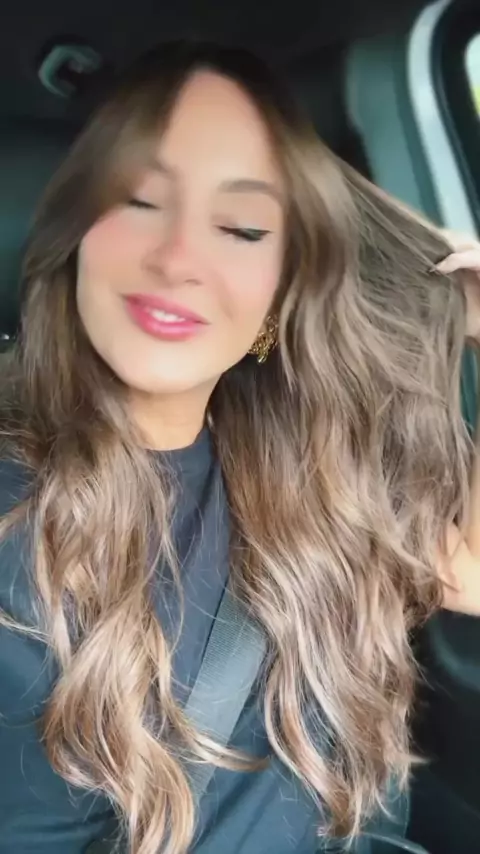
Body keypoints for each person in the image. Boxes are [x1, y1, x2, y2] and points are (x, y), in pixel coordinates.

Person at [0, 40, 479, 854]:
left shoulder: (308, 469)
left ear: (281, 295)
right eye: (137, 199)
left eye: (243, 227)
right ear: (75, 233)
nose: (178, 259)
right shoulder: (17, 507)